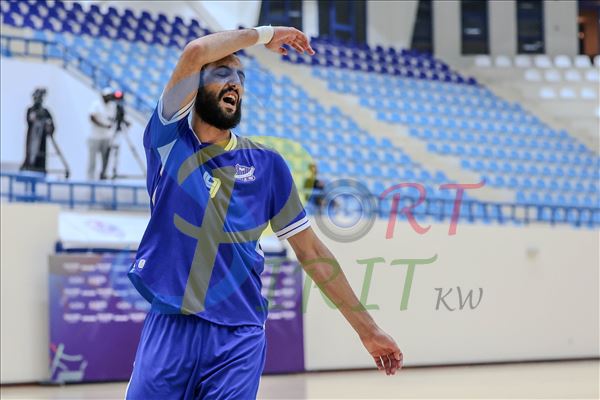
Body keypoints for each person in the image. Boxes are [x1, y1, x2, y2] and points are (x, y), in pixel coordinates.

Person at [126, 26, 403, 399]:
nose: (235, 84)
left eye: (240, 78)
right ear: (194, 87)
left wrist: (368, 330)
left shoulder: (267, 165)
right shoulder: (168, 142)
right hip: (170, 325)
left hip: (238, 335)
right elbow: (195, 51)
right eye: (222, 72)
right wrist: (264, 35)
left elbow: (312, 252)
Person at [20, 88, 54, 173]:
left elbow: (51, 125)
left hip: (41, 140)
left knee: (40, 156)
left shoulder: (45, 112)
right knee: (31, 154)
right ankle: (29, 166)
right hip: (32, 138)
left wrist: (48, 127)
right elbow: (29, 120)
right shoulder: (30, 110)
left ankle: (39, 169)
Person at [87, 88, 116, 180]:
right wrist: (104, 125)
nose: (109, 98)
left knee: (105, 160)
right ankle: (90, 179)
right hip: (95, 137)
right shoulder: (96, 104)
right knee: (92, 160)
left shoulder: (112, 106)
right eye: (107, 96)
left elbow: (113, 119)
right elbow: (92, 117)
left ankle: (103, 176)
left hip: (106, 137)